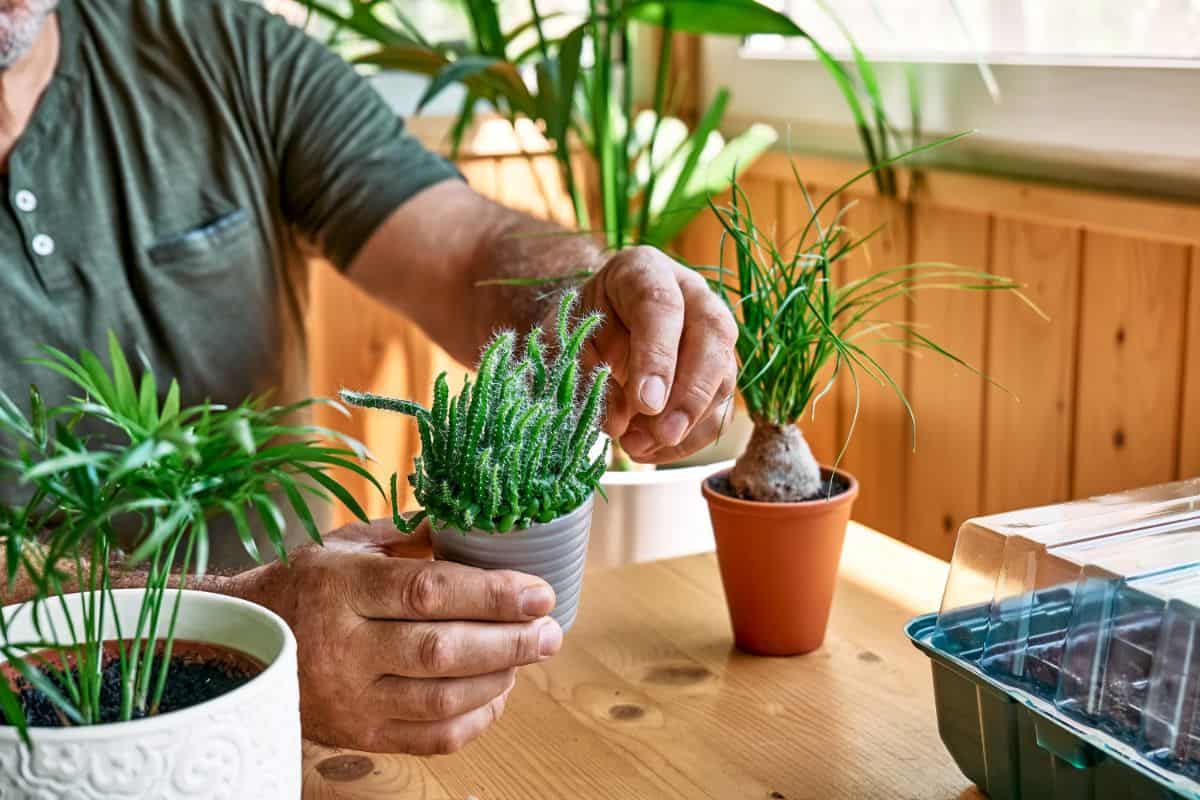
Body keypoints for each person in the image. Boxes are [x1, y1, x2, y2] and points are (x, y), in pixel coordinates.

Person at [0, 0, 738, 754]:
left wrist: (583, 303)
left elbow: (463, 253)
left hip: (294, 736)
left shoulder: (214, 44)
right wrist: (238, 624)